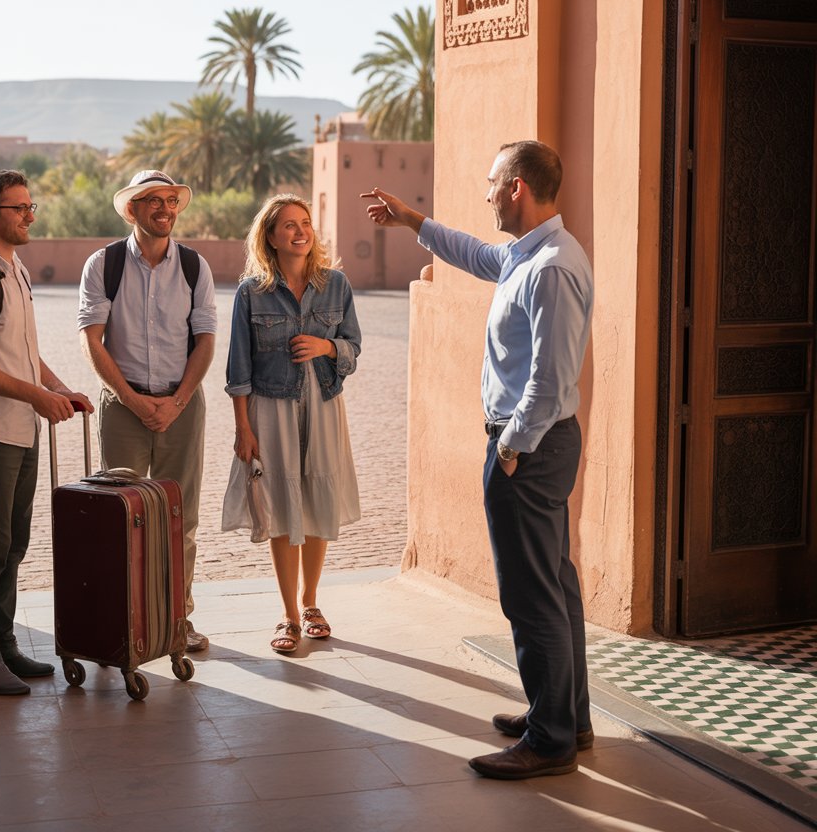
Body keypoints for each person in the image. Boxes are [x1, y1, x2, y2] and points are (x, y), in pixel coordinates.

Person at [362, 140, 594, 780]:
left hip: (530, 447)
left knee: (530, 596)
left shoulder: (549, 267)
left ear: (517, 187)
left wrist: (512, 450)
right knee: (554, 583)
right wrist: (414, 221)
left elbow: (548, 382)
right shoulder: (528, 255)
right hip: (540, 444)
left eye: (492, 182)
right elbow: (478, 255)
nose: (487, 192)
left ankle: (550, 741)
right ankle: (565, 715)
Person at [0, 170, 93, 696]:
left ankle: (3, 644)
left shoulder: (15, 268)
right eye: (20, 208)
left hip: (20, 428)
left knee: (13, 543)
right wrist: (37, 397)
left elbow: (23, 354)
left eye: (32, 206)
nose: (31, 215)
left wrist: (58, 387)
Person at [78, 170, 217, 652]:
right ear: (132, 210)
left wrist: (176, 402)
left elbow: (204, 342)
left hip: (183, 405)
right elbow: (92, 342)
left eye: (171, 200)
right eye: (152, 201)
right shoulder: (104, 264)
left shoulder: (196, 267)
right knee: (120, 516)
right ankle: (124, 621)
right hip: (123, 405)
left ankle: (177, 620)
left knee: (181, 517)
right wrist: (135, 402)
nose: (165, 208)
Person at [224, 194, 361, 654]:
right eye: (288, 225)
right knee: (282, 503)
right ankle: (287, 615)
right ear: (270, 236)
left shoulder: (336, 285)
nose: (300, 231)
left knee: (319, 500)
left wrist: (327, 349)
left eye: (305, 223)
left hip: (323, 402)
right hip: (270, 405)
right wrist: (244, 429)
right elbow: (237, 369)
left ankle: (311, 603)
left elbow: (353, 347)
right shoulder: (251, 292)